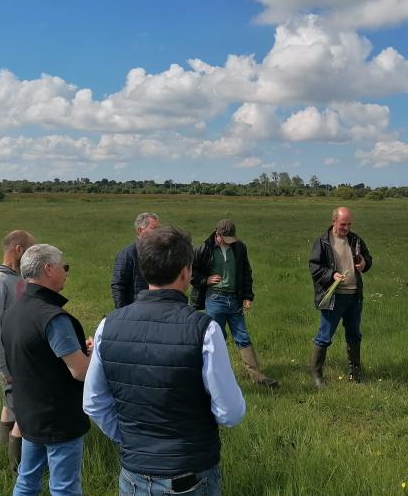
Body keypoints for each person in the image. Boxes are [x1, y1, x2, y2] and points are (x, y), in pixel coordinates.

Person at [84, 226, 245, 495]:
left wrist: (129, 438)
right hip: (191, 473)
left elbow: (93, 402)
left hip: (133, 473)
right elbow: (230, 412)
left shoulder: (106, 326)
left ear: (145, 270)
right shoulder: (204, 329)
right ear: (186, 272)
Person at [2, 244, 92, 496]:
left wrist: (75, 350)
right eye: (64, 267)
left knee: (27, 480)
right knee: (64, 487)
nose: (66, 272)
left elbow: (36, 357)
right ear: (48, 269)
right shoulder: (54, 318)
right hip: (59, 419)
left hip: (29, 413)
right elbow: (81, 372)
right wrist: (94, 356)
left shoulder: (13, 312)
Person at [190, 219, 278, 388]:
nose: (230, 242)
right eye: (226, 239)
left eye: (232, 238)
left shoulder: (240, 248)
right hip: (215, 299)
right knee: (216, 339)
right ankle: (213, 378)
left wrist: (247, 296)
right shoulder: (203, 249)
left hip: (235, 300)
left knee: (243, 337)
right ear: (217, 235)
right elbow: (192, 272)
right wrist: (206, 279)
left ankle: (257, 378)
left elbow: (246, 272)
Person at [0, 229, 35, 471]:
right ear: (19, 249)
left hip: (21, 356)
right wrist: (3, 368)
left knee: (10, 404)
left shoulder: (16, 277)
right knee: (22, 409)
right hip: (11, 360)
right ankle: (17, 469)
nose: (33, 254)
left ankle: (4, 458)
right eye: (30, 249)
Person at [308, 206, 373, 387]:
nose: (347, 228)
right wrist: (332, 275)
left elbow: (368, 258)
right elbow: (314, 267)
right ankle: (316, 375)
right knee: (324, 336)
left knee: (354, 335)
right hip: (333, 298)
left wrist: (364, 263)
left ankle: (355, 373)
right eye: (343, 224)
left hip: (354, 296)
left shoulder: (355, 239)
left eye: (349, 224)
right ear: (334, 221)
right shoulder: (323, 241)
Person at [111, 212, 160, 308]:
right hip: (135, 309)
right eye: (153, 228)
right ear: (140, 230)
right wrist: (123, 313)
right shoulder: (127, 254)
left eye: (158, 228)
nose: (158, 232)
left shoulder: (160, 253)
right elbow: (119, 286)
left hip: (156, 307)